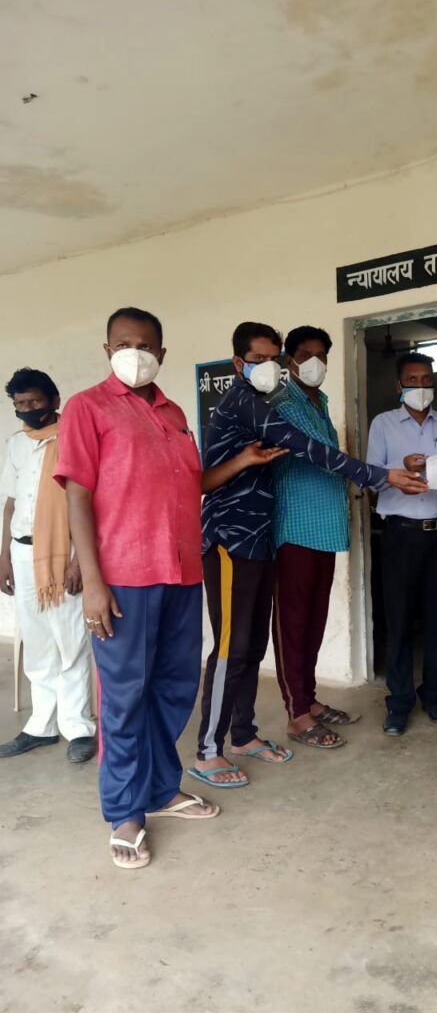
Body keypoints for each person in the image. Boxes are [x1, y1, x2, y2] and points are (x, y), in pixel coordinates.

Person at [196, 322, 425, 778]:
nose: (268, 367)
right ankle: (208, 749)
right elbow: (306, 448)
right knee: (231, 647)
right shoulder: (247, 402)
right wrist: (380, 476)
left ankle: (243, 734)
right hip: (230, 537)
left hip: (259, 537)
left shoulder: (268, 402)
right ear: (239, 363)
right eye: (258, 359)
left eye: (273, 359)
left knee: (252, 645)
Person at [54, 307, 219, 871]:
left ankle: (160, 788)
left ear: (162, 354)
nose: (136, 352)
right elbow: (78, 494)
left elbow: (190, 483)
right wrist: (92, 582)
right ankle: (125, 811)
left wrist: (244, 461)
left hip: (181, 570)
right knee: (125, 697)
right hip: (124, 574)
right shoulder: (88, 407)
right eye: (124, 343)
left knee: (175, 688)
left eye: (146, 345)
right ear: (107, 350)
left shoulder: (174, 413)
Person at [271, 326, 362, 749]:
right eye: (307, 354)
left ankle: (308, 698)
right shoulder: (282, 404)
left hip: (325, 528)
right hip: (294, 528)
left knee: (314, 621)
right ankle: (297, 714)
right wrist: (372, 473)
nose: (316, 363)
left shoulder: (319, 402)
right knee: (293, 623)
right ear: (288, 361)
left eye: (322, 355)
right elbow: (318, 455)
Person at [366, 351, 437, 736]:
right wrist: (400, 470)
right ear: (399, 385)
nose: (420, 386)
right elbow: (371, 477)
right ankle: (400, 702)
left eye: (426, 379)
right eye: (412, 380)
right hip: (401, 534)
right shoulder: (383, 424)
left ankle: (434, 695)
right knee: (400, 619)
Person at [0, 369, 96, 763]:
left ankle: (78, 728)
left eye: (34, 402)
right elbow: (10, 503)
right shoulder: (16, 444)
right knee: (39, 643)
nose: (27, 410)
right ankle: (41, 725)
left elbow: (91, 502)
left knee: (70, 641)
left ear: (54, 401)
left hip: (64, 552)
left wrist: (79, 560)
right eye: (19, 404)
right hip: (23, 554)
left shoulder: (75, 438)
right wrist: (4, 555)